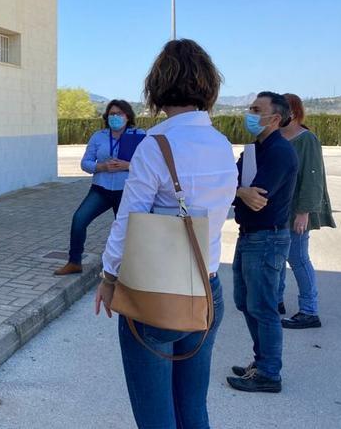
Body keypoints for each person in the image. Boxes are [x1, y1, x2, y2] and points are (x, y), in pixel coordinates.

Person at [95, 39, 237, 427]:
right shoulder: (223, 145)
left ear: (157, 86)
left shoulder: (156, 145)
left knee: (156, 417)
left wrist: (109, 276)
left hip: (158, 293)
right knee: (193, 409)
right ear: (208, 85)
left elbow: (128, 220)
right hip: (208, 289)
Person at [228, 91, 299, 394]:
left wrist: (239, 190)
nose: (250, 113)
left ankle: (270, 373)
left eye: (257, 109)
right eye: (251, 108)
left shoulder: (280, 152)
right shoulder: (254, 150)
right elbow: (230, 183)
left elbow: (257, 198)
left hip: (267, 237)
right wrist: (238, 189)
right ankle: (261, 362)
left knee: (264, 306)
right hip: (250, 236)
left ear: (275, 117)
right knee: (245, 302)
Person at [54, 99, 146, 275]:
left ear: (128, 116)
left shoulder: (139, 135)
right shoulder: (99, 136)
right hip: (100, 189)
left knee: (127, 230)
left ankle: (128, 270)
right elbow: (85, 163)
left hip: (126, 191)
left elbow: (149, 164)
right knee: (79, 220)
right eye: (112, 114)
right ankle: (74, 262)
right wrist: (101, 167)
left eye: (119, 114)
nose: (115, 117)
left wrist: (128, 166)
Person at [277, 93, 335, 329]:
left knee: (298, 258)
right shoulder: (278, 138)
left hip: (296, 212)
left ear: (294, 112)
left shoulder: (306, 139)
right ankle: (275, 300)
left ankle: (309, 310)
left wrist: (304, 212)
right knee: (278, 258)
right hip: (279, 210)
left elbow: (313, 178)